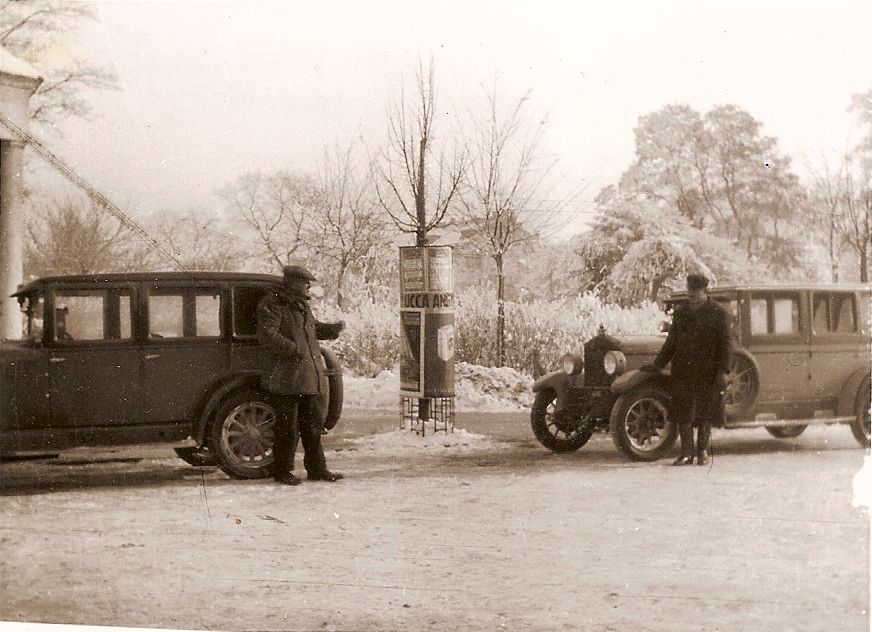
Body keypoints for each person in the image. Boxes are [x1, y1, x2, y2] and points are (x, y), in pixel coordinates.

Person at [257, 264, 345, 485]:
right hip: (287, 378)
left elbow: (312, 329)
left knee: (313, 427)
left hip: (307, 377)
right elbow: (267, 334)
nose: (308, 286)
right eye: (304, 282)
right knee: (288, 428)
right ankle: (282, 471)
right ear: (292, 282)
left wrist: (331, 329)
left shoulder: (301, 306)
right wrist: (292, 348)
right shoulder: (273, 303)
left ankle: (317, 469)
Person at [641, 273, 733, 466]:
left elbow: (726, 345)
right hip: (683, 370)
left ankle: (702, 453)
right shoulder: (681, 313)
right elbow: (671, 341)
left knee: (705, 412)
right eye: (690, 290)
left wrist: (723, 371)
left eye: (696, 291)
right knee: (683, 412)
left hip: (708, 372)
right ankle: (686, 453)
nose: (691, 294)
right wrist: (657, 364)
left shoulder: (718, 312)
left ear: (705, 291)